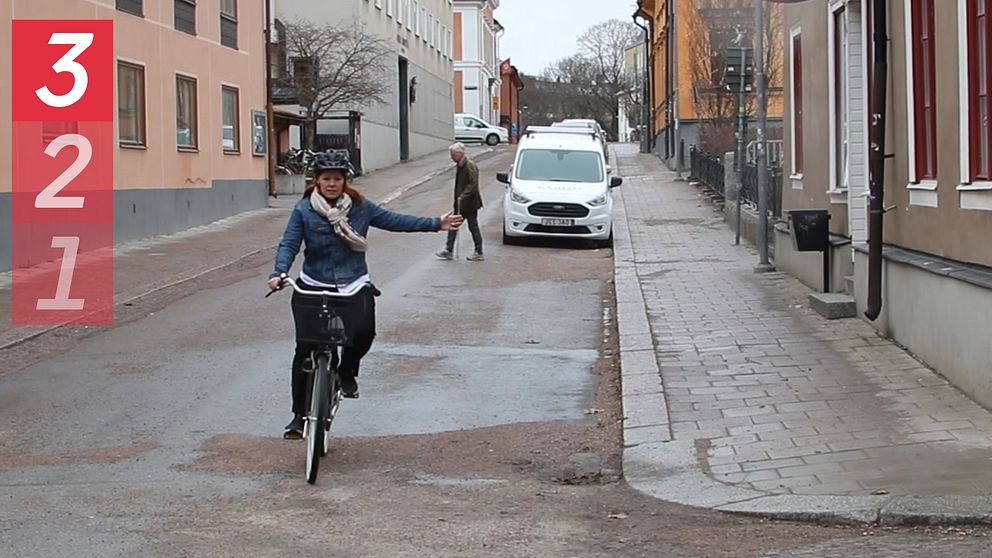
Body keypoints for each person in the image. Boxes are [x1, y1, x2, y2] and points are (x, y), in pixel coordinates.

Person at [267, 150, 463, 439]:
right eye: (326, 179)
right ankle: (298, 416)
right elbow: (289, 243)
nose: (332, 184)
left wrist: (436, 223)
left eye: (337, 179)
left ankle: (346, 371)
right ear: (317, 181)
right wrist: (278, 272)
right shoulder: (304, 209)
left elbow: (395, 220)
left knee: (364, 333)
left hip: (353, 282)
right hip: (313, 282)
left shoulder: (360, 207)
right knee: (305, 349)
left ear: (345, 181)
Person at [436, 143, 484, 262]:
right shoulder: (461, 164)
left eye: (453, 155)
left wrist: (462, 196)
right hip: (462, 203)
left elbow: (473, 184)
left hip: (469, 203)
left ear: (459, 154)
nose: (451, 157)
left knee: (472, 226)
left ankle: (478, 252)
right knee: (454, 224)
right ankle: (449, 250)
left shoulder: (469, 165)